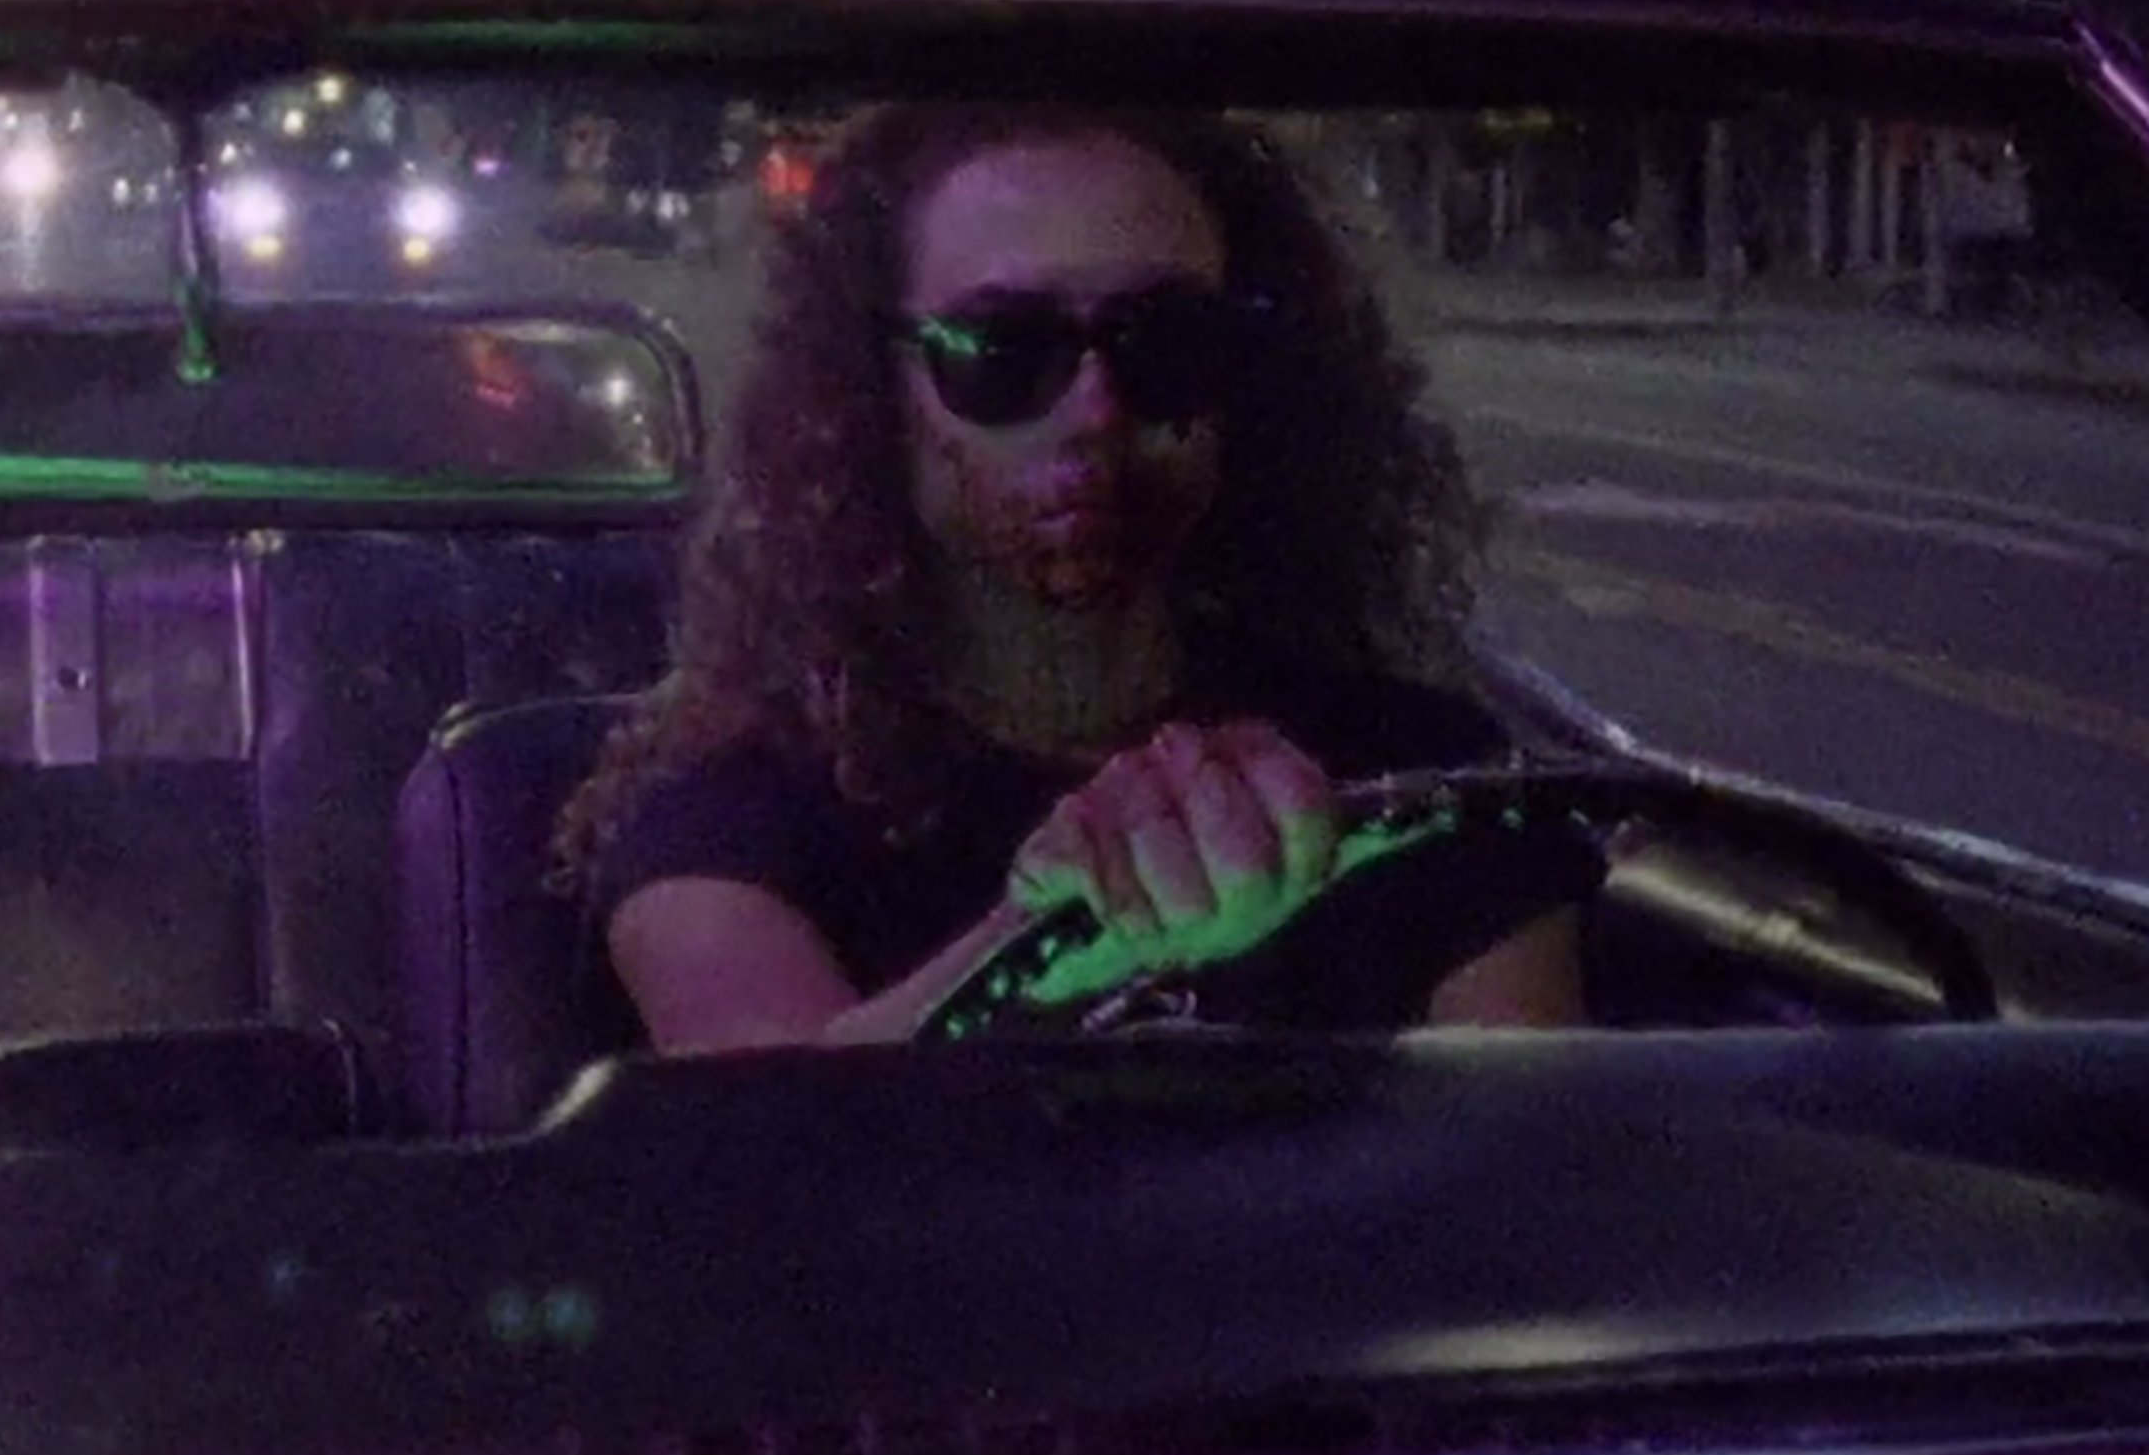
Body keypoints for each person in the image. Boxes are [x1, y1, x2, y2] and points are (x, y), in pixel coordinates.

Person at [555, 103, 1593, 1049]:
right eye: (1001, 349)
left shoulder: (1421, 780)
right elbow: (769, 1129)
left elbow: (1522, 1160)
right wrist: (1056, 937)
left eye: (1168, 343)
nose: (1095, 410)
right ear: (868, 392)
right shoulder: (724, 805)